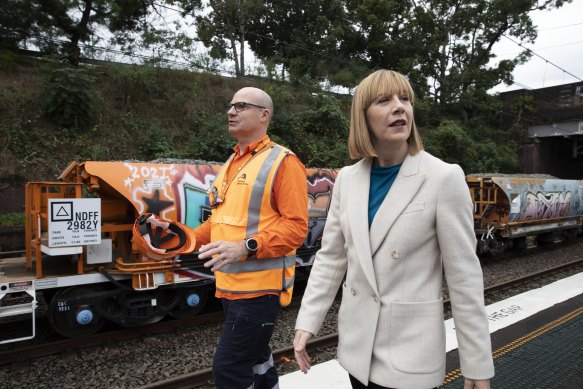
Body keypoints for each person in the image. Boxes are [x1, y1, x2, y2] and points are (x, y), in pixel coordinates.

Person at [293, 70, 494, 389]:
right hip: (358, 351)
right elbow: (332, 257)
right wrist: (308, 322)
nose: (399, 107)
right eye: (384, 100)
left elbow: (464, 278)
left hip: (411, 353)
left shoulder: (443, 178)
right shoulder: (347, 178)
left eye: (405, 99)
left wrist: (477, 363)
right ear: (363, 117)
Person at [193, 86, 308, 389]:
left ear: (264, 115)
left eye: (241, 106)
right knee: (256, 359)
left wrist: (245, 247)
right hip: (229, 289)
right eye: (231, 106)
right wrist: (179, 238)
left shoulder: (283, 162)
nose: (231, 111)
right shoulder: (230, 165)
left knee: (228, 368)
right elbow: (217, 223)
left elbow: (297, 228)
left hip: (259, 292)